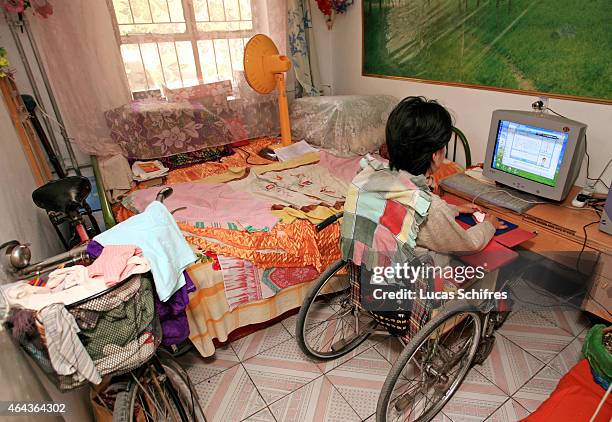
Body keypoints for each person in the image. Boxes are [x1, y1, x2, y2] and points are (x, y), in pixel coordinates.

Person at [385, 96, 506, 253]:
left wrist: (454, 209)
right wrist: (490, 224)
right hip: (411, 274)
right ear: (435, 155)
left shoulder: (376, 176)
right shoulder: (430, 206)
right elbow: (468, 245)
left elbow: (422, 218)